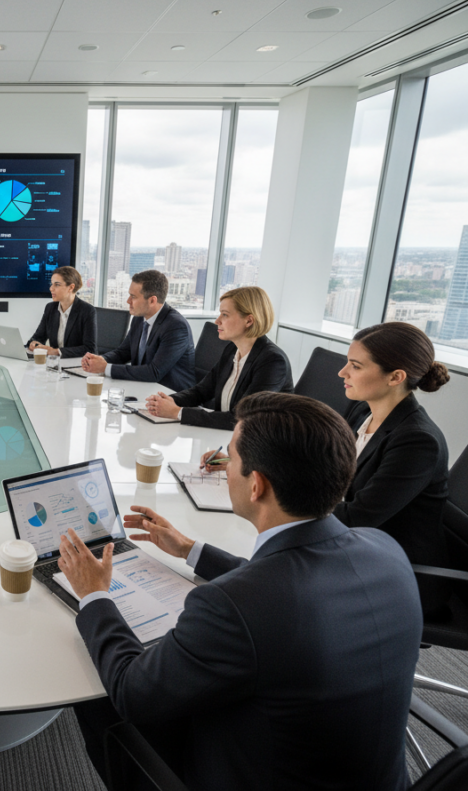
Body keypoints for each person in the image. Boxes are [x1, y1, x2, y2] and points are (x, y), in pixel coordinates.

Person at [61, 392, 420, 791]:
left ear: (257, 486)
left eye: (230, 459)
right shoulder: (385, 550)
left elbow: (132, 691)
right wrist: (189, 550)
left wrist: (94, 595)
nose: (225, 467)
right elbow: (284, 581)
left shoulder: (233, 606)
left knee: (96, 687)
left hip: (253, 773)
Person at [335, 321, 451, 614]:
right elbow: (326, 468)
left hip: (398, 570)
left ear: (395, 377)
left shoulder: (417, 440)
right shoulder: (364, 410)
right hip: (360, 546)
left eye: (355, 366)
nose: (342, 373)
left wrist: (279, 497)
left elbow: (356, 518)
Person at [144, 286, 293, 429]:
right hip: (226, 436)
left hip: (260, 447)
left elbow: (242, 419)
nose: (217, 321)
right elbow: (202, 391)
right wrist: (169, 401)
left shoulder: (272, 361)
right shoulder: (232, 350)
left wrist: (177, 412)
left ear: (249, 321)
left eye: (225, 314)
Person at [80, 270, 194, 390]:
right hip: (143, 388)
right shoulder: (139, 319)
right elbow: (123, 352)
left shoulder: (176, 326)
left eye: (133, 297)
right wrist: (99, 360)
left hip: (171, 395)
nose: (128, 301)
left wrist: (105, 368)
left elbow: (154, 372)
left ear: (152, 301)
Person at [25, 266, 96, 359]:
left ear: (71, 287)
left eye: (57, 285)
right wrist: (33, 343)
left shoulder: (87, 310)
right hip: (55, 364)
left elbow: (90, 349)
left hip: (77, 365)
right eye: (51, 284)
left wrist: (56, 352)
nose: (51, 288)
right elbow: (38, 337)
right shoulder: (50, 308)